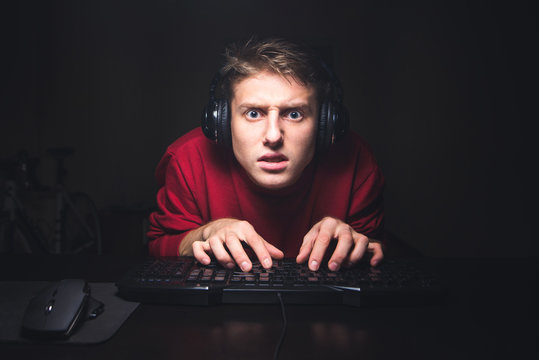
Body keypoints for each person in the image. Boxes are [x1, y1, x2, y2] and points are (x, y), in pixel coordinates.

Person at [147, 37, 386, 273]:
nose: (273, 136)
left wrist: (355, 244)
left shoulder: (356, 160)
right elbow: (158, 247)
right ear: (222, 121)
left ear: (326, 125)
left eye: (294, 114)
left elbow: (376, 250)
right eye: (253, 113)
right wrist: (206, 232)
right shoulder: (187, 158)